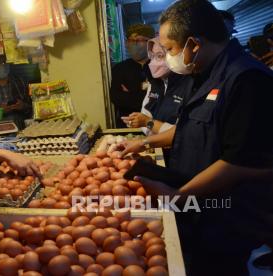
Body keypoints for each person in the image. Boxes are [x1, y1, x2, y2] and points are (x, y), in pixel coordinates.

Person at [117, 0, 273, 275]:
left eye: (171, 49)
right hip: (199, 208)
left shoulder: (247, 80)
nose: (167, 57)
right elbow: (191, 126)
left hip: (225, 214)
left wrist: (179, 196)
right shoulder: (203, 73)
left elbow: (240, 161)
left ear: (194, 44)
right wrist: (144, 142)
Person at [122, 36, 191, 135]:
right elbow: (145, 117)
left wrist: (149, 123)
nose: (153, 63)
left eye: (160, 56)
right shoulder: (154, 84)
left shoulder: (189, 84)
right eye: (152, 57)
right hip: (157, 145)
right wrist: (142, 122)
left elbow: (182, 133)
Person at [110, 23, 155, 128]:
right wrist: (146, 97)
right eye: (130, 41)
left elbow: (163, 99)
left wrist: (131, 95)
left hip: (154, 125)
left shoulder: (158, 67)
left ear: (150, 43)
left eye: (139, 40)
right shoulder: (120, 68)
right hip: (127, 125)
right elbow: (116, 97)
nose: (133, 44)